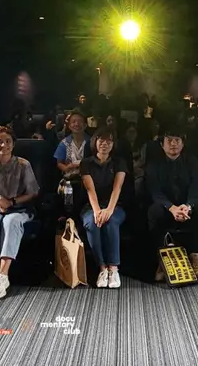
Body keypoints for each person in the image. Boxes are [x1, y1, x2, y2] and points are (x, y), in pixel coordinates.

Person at [0, 126, 40, 299]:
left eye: (8, 141)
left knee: (10, 222)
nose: (3, 145)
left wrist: (12, 202)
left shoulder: (23, 164)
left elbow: (33, 192)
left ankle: (2, 276)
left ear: (13, 144)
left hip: (20, 208)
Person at [146, 127, 198, 280]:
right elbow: (155, 191)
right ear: (162, 144)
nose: (173, 144)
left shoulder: (191, 161)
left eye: (177, 140)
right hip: (165, 205)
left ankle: (195, 259)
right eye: (169, 141)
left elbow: (196, 188)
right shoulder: (154, 164)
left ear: (182, 143)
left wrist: (188, 206)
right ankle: (161, 261)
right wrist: (171, 208)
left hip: (186, 205)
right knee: (154, 212)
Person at [80, 127, 128, 288]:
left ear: (113, 144)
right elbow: (90, 189)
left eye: (109, 141)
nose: (105, 144)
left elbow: (117, 188)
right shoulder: (86, 163)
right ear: (95, 142)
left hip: (115, 206)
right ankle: (102, 268)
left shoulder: (119, 162)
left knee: (111, 222)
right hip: (91, 206)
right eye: (101, 140)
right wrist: (97, 211)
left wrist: (109, 210)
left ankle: (113, 268)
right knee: (93, 223)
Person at [54, 110, 91, 180]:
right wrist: (66, 168)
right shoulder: (64, 143)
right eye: (73, 122)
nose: (77, 124)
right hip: (69, 178)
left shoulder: (92, 142)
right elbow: (59, 163)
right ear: (69, 126)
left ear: (85, 125)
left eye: (80, 121)